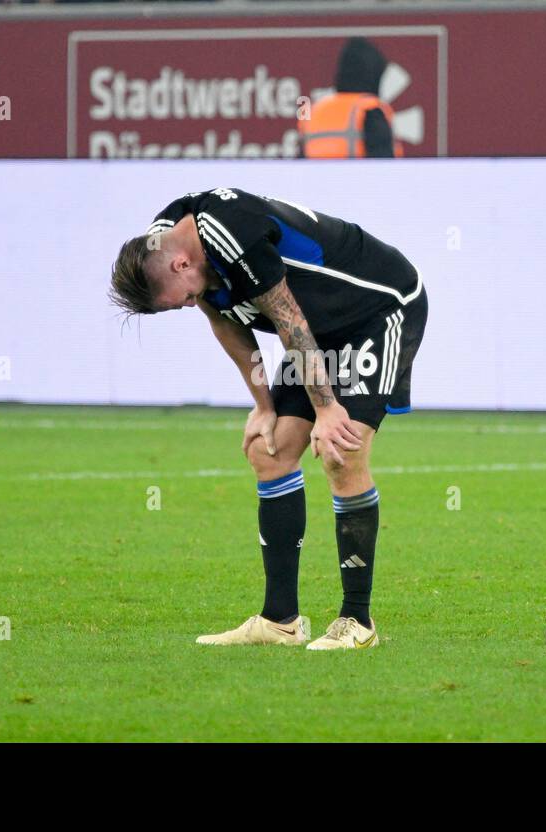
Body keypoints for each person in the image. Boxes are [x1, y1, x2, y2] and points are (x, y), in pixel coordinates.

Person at [108, 188, 428, 650]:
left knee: (340, 450)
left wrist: (326, 409)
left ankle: (358, 622)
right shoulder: (166, 239)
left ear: (180, 265)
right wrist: (263, 404)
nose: (182, 306)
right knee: (268, 449)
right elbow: (223, 318)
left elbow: (287, 317)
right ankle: (280, 621)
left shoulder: (233, 235)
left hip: (377, 309)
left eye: (175, 300)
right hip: (317, 331)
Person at [298, 37, 402, 158]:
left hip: (316, 177)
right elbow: (383, 164)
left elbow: (301, 162)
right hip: (359, 176)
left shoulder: (314, 111)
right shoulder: (370, 110)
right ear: (373, 75)